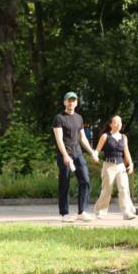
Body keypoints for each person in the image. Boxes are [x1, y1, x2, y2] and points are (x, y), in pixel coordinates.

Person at [52, 91, 99, 222]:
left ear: (77, 102)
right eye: (69, 100)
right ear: (64, 102)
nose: (71, 102)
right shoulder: (59, 118)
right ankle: (64, 213)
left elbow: (82, 138)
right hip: (65, 154)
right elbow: (59, 139)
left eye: (73, 100)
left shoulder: (79, 118)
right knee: (64, 183)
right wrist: (65, 155)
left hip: (78, 153)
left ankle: (82, 211)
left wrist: (92, 152)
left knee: (85, 179)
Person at [93, 115, 137, 220]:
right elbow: (97, 150)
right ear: (111, 124)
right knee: (107, 190)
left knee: (124, 188)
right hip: (108, 166)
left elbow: (126, 152)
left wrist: (130, 164)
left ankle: (127, 212)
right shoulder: (105, 136)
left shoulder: (124, 137)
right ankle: (100, 211)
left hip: (121, 166)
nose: (119, 124)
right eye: (116, 122)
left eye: (120, 122)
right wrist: (95, 155)